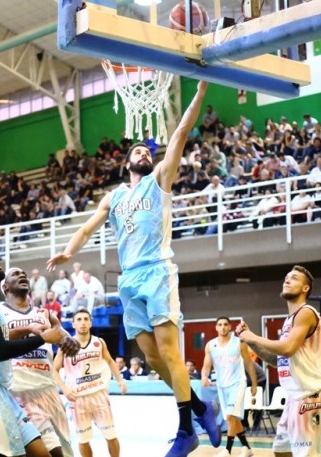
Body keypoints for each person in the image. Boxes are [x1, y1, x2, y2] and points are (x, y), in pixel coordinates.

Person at [47, 81, 221, 456]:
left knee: (170, 353)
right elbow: (87, 226)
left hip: (157, 270)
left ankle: (186, 429)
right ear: (127, 163)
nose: (144, 153)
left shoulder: (160, 179)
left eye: (147, 150)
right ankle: (203, 407)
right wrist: (66, 251)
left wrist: (202, 89)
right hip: (130, 281)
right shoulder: (115, 196)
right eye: (137, 150)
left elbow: (180, 132)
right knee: (152, 356)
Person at [0, 247, 71, 457]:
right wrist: (43, 338)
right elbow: (0, 350)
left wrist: (27, 329)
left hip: (0, 390)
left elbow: (2, 335)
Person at [235, 265, 321, 457]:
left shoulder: (306, 312)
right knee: (281, 451)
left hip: (311, 394)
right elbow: (277, 360)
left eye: (294, 278)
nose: (287, 280)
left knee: (304, 454)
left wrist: (253, 336)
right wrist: (250, 342)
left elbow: (287, 349)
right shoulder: (290, 320)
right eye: (286, 278)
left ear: (305, 288)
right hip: (294, 396)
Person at [1, 267, 80, 457]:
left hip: (48, 390)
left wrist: (70, 343)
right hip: (20, 391)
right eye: (15, 274)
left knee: (66, 452)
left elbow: (71, 343)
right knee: (52, 452)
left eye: (24, 274)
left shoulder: (46, 314)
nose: (22, 275)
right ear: (5, 287)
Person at [53, 309, 127, 457]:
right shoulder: (65, 346)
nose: (83, 322)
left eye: (86, 319)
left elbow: (111, 362)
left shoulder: (99, 342)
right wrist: (64, 389)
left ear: (91, 323)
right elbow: (53, 370)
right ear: (73, 324)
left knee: (111, 435)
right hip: (78, 398)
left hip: (99, 395)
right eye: (79, 319)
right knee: (83, 439)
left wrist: (120, 380)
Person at [201, 317, 257, 457]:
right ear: (216, 327)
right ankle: (246, 447)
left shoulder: (239, 342)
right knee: (232, 419)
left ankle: (228, 450)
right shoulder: (210, 345)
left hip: (238, 383)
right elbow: (206, 365)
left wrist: (254, 383)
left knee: (231, 416)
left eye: (226, 324)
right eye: (220, 325)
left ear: (230, 326)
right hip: (222, 386)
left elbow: (249, 363)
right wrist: (204, 376)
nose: (223, 327)